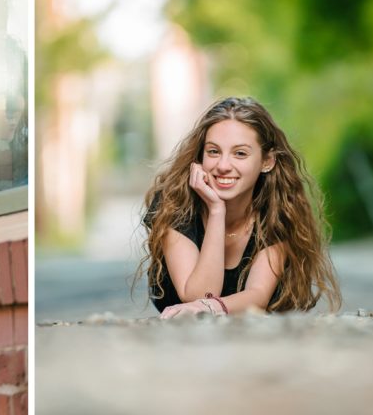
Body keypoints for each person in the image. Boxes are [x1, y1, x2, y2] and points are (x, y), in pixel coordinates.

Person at [140, 96, 340, 318]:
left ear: (267, 161)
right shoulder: (173, 202)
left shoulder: (278, 210)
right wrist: (217, 211)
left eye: (240, 153)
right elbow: (198, 295)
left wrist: (213, 307)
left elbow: (258, 295)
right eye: (213, 151)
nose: (223, 166)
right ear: (200, 157)